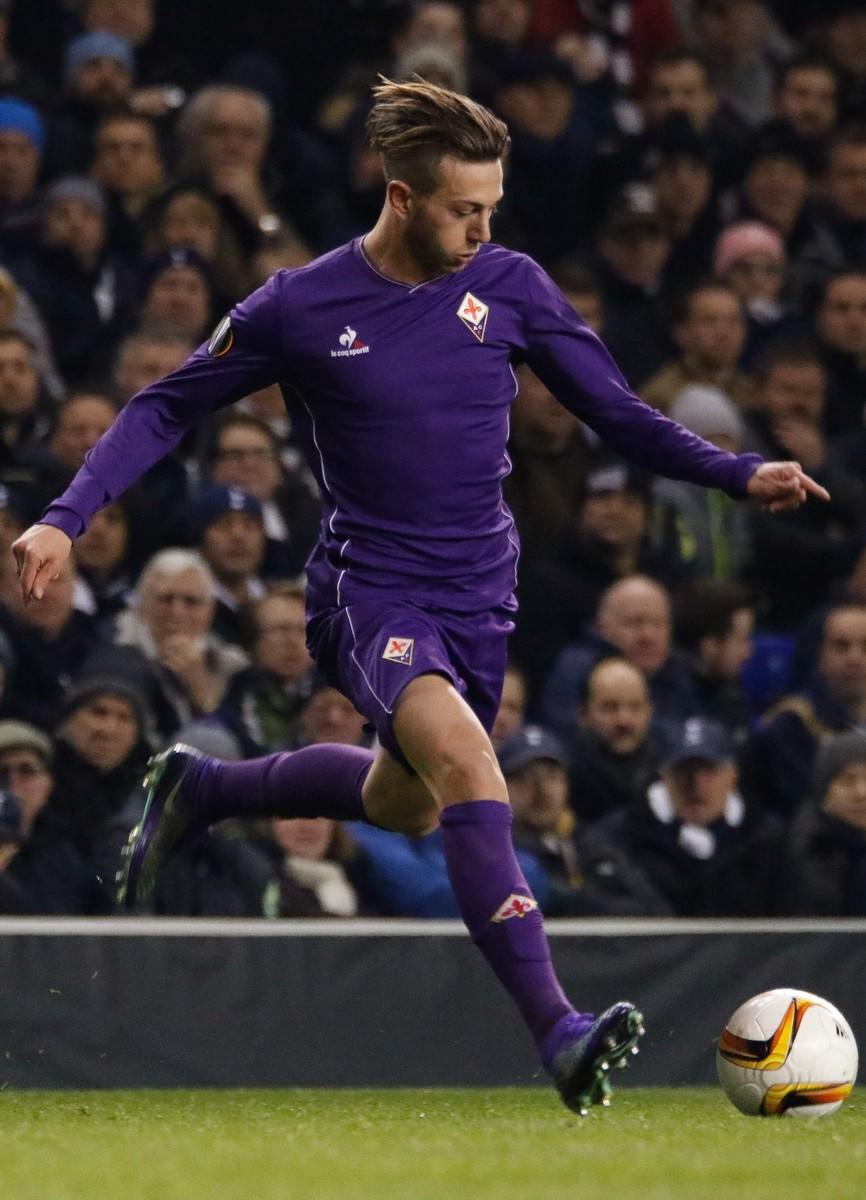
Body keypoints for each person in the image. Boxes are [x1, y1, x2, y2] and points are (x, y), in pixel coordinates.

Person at [13, 78, 826, 1116]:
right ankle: (560, 1033)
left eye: (492, 208)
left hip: (480, 593)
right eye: (464, 210)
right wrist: (66, 516)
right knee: (470, 765)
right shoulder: (300, 305)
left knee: (404, 801)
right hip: (370, 591)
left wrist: (735, 472)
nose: (483, 230)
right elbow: (163, 406)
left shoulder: (510, 284)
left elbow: (619, 413)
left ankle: (207, 789)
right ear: (401, 197)